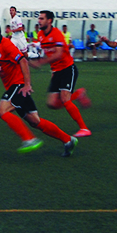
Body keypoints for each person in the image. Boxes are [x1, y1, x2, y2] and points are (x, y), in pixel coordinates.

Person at [0, 18, 78, 156]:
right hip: (14, 87)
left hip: (18, 85)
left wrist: (27, 84)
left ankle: (29, 139)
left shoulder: (6, 45)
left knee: (2, 110)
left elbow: (23, 61)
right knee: (35, 121)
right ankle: (68, 140)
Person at [28, 10, 91, 138]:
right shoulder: (40, 35)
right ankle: (78, 94)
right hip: (56, 71)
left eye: (41, 18)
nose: (39, 21)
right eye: (39, 18)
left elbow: (58, 54)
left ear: (49, 20)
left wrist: (40, 62)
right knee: (52, 104)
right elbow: (48, 52)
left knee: (65, 99)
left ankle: (84, 128)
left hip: (68, 69)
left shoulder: (56, 34)